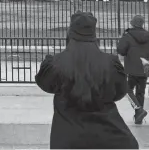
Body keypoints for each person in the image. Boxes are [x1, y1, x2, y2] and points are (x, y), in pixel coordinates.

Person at [35, 11, 138, 149]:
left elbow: (45, 84)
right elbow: (119, 93)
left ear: (70, 33)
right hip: (109, 135)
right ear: (94, 35)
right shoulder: (110, 63)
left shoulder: (56, 63)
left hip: (68, 138)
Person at [117, 14, 149, 124]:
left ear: (132, 23)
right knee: (140, 93)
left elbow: (121, 50)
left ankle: (138, 109)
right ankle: (138, 116)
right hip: (144, 68)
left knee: (126, 89)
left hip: (131, 68)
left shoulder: (127, 35)